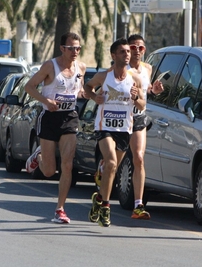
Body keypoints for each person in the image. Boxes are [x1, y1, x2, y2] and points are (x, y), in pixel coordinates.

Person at [24, 32, 87, 224]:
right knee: (49, 171)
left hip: (69, 118)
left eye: (78, 48)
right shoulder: (50, 66)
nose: (75, 52)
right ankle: (39, 156)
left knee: (67, 165)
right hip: (49, 117)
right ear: (62, 48)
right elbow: (29, 87)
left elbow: (80, 90)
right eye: (71, 48)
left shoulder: (81, 67)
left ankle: (60, 208)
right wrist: (46, 100)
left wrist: (90, 94)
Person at [84, 38, 145, 227]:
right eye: (122, 51)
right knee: (110, 163)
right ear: (113, 55)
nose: (127, 54)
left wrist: (136, 98)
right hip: (104, 127)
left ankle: (99, 198)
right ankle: (105, 207)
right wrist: (95, 97)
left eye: (128, 51)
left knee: (112, 169)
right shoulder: (104, 76)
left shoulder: (134, 79)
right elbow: (87, 87)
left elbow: (142, 105)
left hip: (124, 129)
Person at [126, 34, 164, 220]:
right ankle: (102, 170)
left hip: (139, 117)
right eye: (133, 47)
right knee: (112, 163)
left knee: (139, 158)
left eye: (141, 48)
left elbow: (146, 90)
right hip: (119, 117)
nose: (137, 51)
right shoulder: (119, 69)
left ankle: (138, 205)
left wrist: (153, 90)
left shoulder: (147, 69)